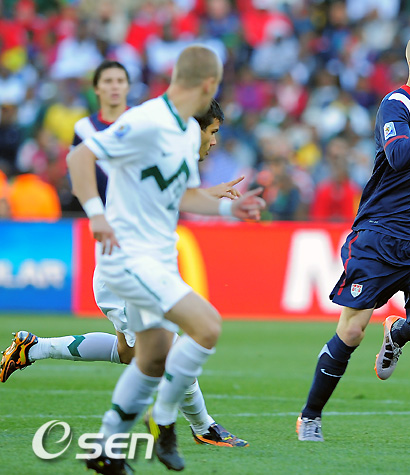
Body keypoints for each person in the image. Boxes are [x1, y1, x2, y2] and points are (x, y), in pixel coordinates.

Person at [0, 100, 249, 452]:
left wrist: (215, 198)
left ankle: (34, 348)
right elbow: (96, 165)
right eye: (213, 132)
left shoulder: (169, 154)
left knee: (132, 352)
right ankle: (202, 426)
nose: (215, 141)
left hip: (143, 269)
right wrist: (97, 213)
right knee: (174, 348)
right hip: (130, 272)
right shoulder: (158, 150)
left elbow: (164, 195)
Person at [67, 45, 264, 474]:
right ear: (209, 84)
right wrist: (96, 214)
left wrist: (230, 209)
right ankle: (164, 419)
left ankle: (105, 449)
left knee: (153, 357)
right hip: (130, 258)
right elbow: (80, 156)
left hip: (156, 259)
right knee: (207, 326)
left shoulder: (185, 132)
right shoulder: (148, 120)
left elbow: (184, 196)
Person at [296, 31, 410, 442]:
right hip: (379, 236)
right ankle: (310, 416)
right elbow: (398, 156)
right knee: (352, 331)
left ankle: (397, 333)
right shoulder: (396, 105)